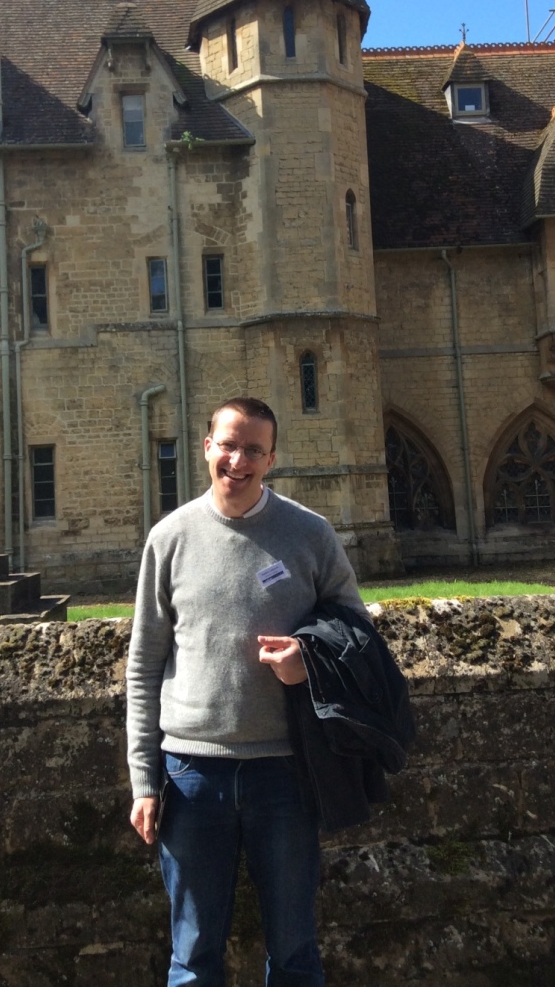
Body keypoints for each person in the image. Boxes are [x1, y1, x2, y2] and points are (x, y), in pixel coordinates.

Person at [127, 396, 365, 987]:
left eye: (254, 450)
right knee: (192, 958)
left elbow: (358, 637)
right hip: (190, 774)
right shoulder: (169, 538)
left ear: (271, 459)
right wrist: (143, 781)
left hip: (285, 772)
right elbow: (144, 666)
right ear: (206, 446)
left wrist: (307, 662)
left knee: (294, 953)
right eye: (228, 445)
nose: (238, 460)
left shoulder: (310, 534)